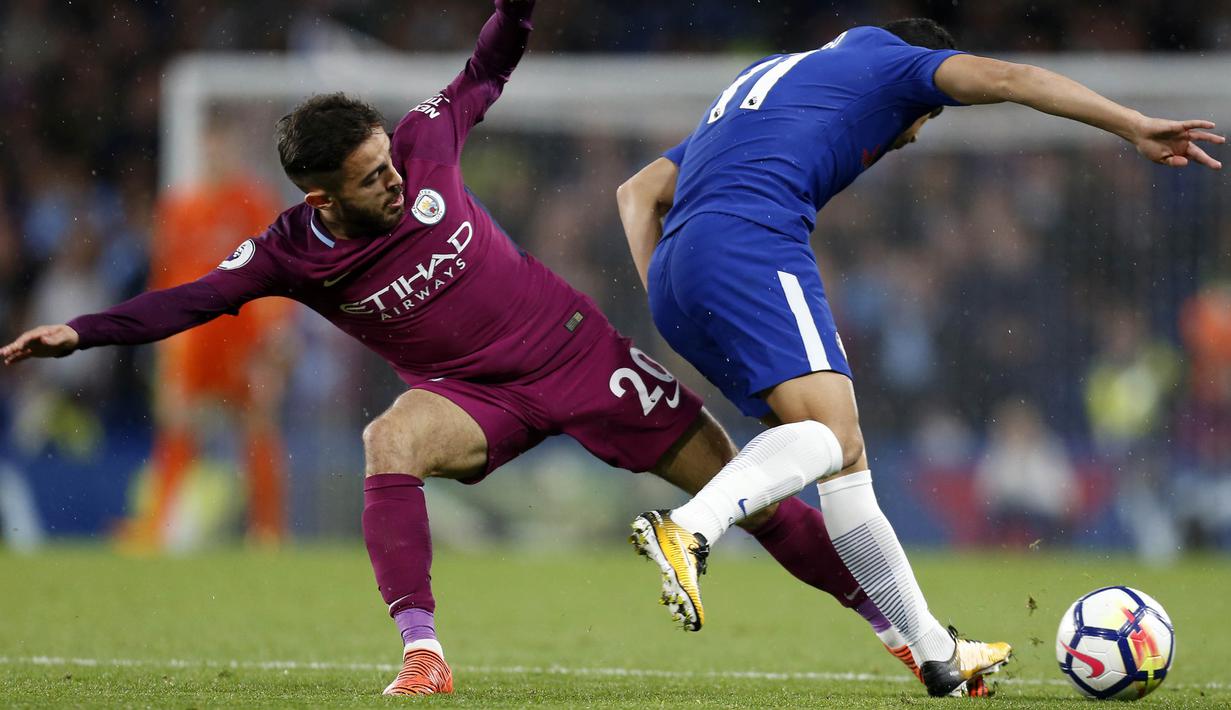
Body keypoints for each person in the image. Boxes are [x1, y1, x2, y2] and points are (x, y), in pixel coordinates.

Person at [0, 2, 979, 698]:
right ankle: (422, 653)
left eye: (390, 162)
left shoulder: (426, 140)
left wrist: (519, 6)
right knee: (392, 440)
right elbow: (189, 299)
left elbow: (487, 66)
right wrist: (78, 332)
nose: (396, 181)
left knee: (748, 490)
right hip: (471, 394)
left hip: (580, 356)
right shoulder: (288, 254)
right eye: (372, 179)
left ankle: (901, 634)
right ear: (320, 199)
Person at [617, 18, 1223, 697]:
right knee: (829, 436)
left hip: (677, 271)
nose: (912, 135)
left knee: (842, 460)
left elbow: (637, 192)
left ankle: (937, 652)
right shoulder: (892, 65)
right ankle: (691, 529)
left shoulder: (772, 78)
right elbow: (1010, 78)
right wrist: (1129, 124)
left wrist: (676, 293)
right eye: (922, 123)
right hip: (748, 245)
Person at [115, 118, 294, 551]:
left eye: (223, 149)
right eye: (210, 149)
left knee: (255, 427)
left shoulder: (253, 203)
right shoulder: (178, 209)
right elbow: (165, 281)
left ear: (235, 151)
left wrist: (277, 333)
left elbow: (280, 271)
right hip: (194, 341)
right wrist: (161, 345)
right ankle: (158, 529)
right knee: (179, 426)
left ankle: (268, 533)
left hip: (243, 338)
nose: (216, 157)